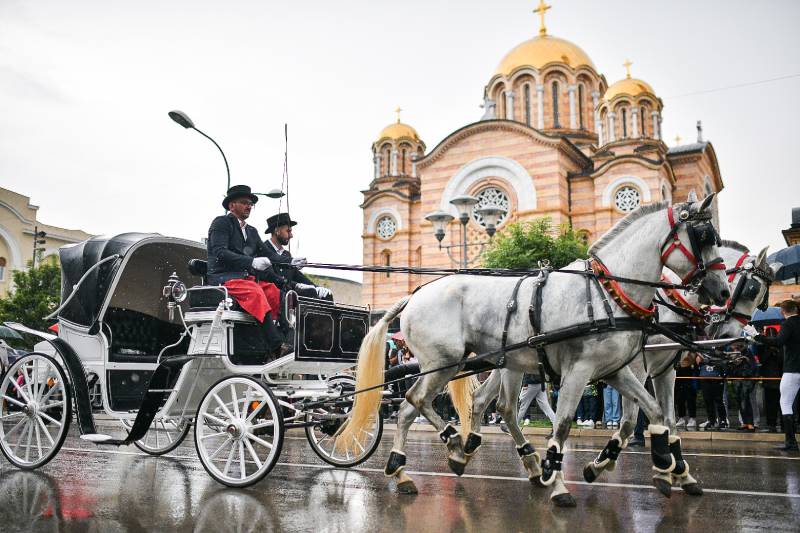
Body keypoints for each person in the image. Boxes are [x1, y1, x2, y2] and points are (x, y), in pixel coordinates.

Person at [207, 185, 289, 357]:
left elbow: (268, 255)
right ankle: (275, 346)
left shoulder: (251, 231)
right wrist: (250, 261)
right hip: (223, 277)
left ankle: (276, 339)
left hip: (244, 280)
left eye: (251, 203)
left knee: (273, 292)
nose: (249, 206)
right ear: (231, 206)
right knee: (256, 291)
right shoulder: (221, 223)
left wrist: (290, 262)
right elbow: (220, 252)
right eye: (244, 203)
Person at [753, 299, 800, 451]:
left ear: (782, 311)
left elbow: (778, 342)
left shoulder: (788, 324)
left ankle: (791, 442)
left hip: (792, 369)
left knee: (785, 404)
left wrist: (757, 336)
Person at [262, 212, 332, 301]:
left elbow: (298, 275)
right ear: (277, 231)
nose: (291, 235)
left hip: (289, 291)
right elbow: (272, 278)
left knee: (326, 295)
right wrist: (297, 285)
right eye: (288, 231)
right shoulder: (264, 250)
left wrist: (316, 287)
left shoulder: (286, 254)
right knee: (310, 292)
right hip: (274, 294)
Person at [755, 327, 783, 432]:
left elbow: (782, 361)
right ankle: (771, 424)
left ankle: (784, 424)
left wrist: (776, 352)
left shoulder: (781, 346)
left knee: (782, 403)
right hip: (768, 380)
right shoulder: (762, 348)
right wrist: (769, 352)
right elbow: (761, 361)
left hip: (780, 379)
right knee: (770, 403)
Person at [696, 354, 728, 431]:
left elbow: (723, 361)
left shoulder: (718, 351)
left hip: (717, 377)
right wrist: (700, 360)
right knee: (708, 401)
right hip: (705, 378)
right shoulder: (702, 351)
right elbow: (698, 362)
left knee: (719, 401)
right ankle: (712, 420)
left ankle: (723, 421)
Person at [674, 352, 698, 429]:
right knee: (679, 398)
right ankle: (681, 418)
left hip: (689, 373)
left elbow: (693, 358)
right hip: (679, 372)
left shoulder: (690, 351)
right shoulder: (679, 350)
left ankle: (692, 418)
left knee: (690, 397)